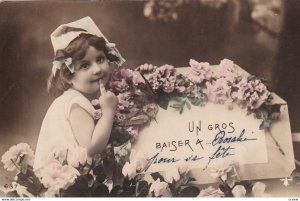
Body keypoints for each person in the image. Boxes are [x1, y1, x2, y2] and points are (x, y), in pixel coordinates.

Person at [33, 16, 126, 170]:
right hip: (64, 183)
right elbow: (91, 148)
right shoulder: (76, 103)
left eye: (100, 59)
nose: (97, 70)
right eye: (84, 66)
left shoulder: (71, 99)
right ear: (68, 77)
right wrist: (109, 111)